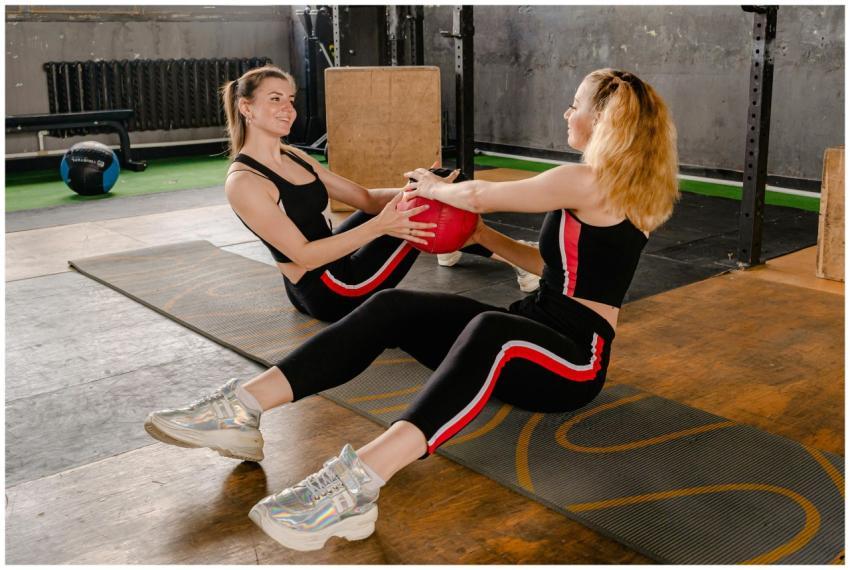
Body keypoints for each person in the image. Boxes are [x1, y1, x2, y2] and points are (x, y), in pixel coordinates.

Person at [145, 68, 679, 552]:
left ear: (604, 119)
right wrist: (484, 238)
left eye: (577, 104)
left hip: (575, 359)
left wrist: (429, 187)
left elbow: (477, 195)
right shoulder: (616, 187)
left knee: (493, 329)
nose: (568, 112)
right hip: (538, 323)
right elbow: (553, 265)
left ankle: (356, 484)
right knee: (396, 306)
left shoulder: (586, 179)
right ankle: (240, 407)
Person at [221, 64, 482, 322]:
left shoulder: (293, 156)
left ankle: (449, 240)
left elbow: (366, 200)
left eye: (290, 99)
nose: (288, 109)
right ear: (246, 108)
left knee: (428, 191)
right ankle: (490, 251)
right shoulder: (245, 182)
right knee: (424, 209)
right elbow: (305, 256)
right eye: (275, 99)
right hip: (333, 292)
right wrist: (384, 225)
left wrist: (420, 187)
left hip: (330, 269)